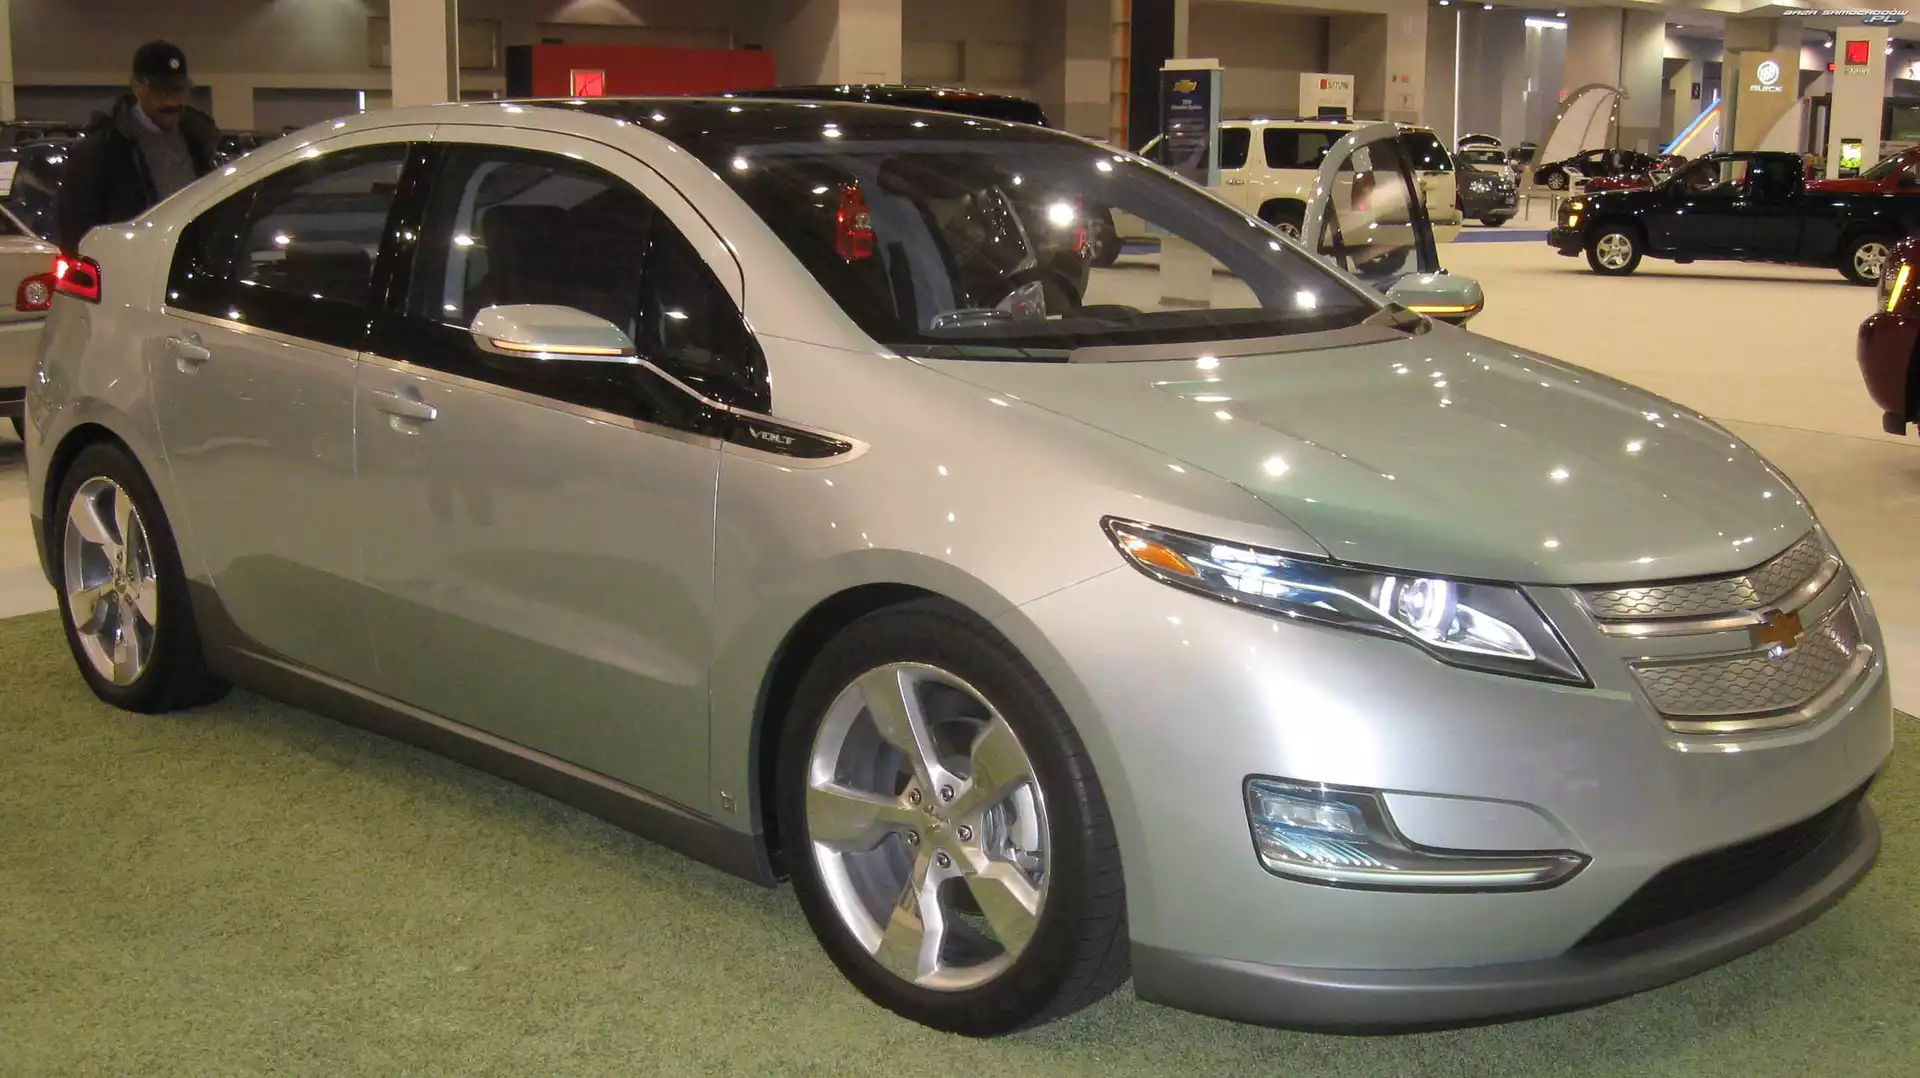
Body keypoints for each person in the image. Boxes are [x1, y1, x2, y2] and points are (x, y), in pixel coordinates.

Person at [54, 41, 220, 254]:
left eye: (179, 90)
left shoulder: (198, 139)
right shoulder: (105, 148)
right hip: (132, 264)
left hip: (192, 262)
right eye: (161, 90)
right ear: (138, 88)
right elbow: (75, 225)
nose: (172, 101)